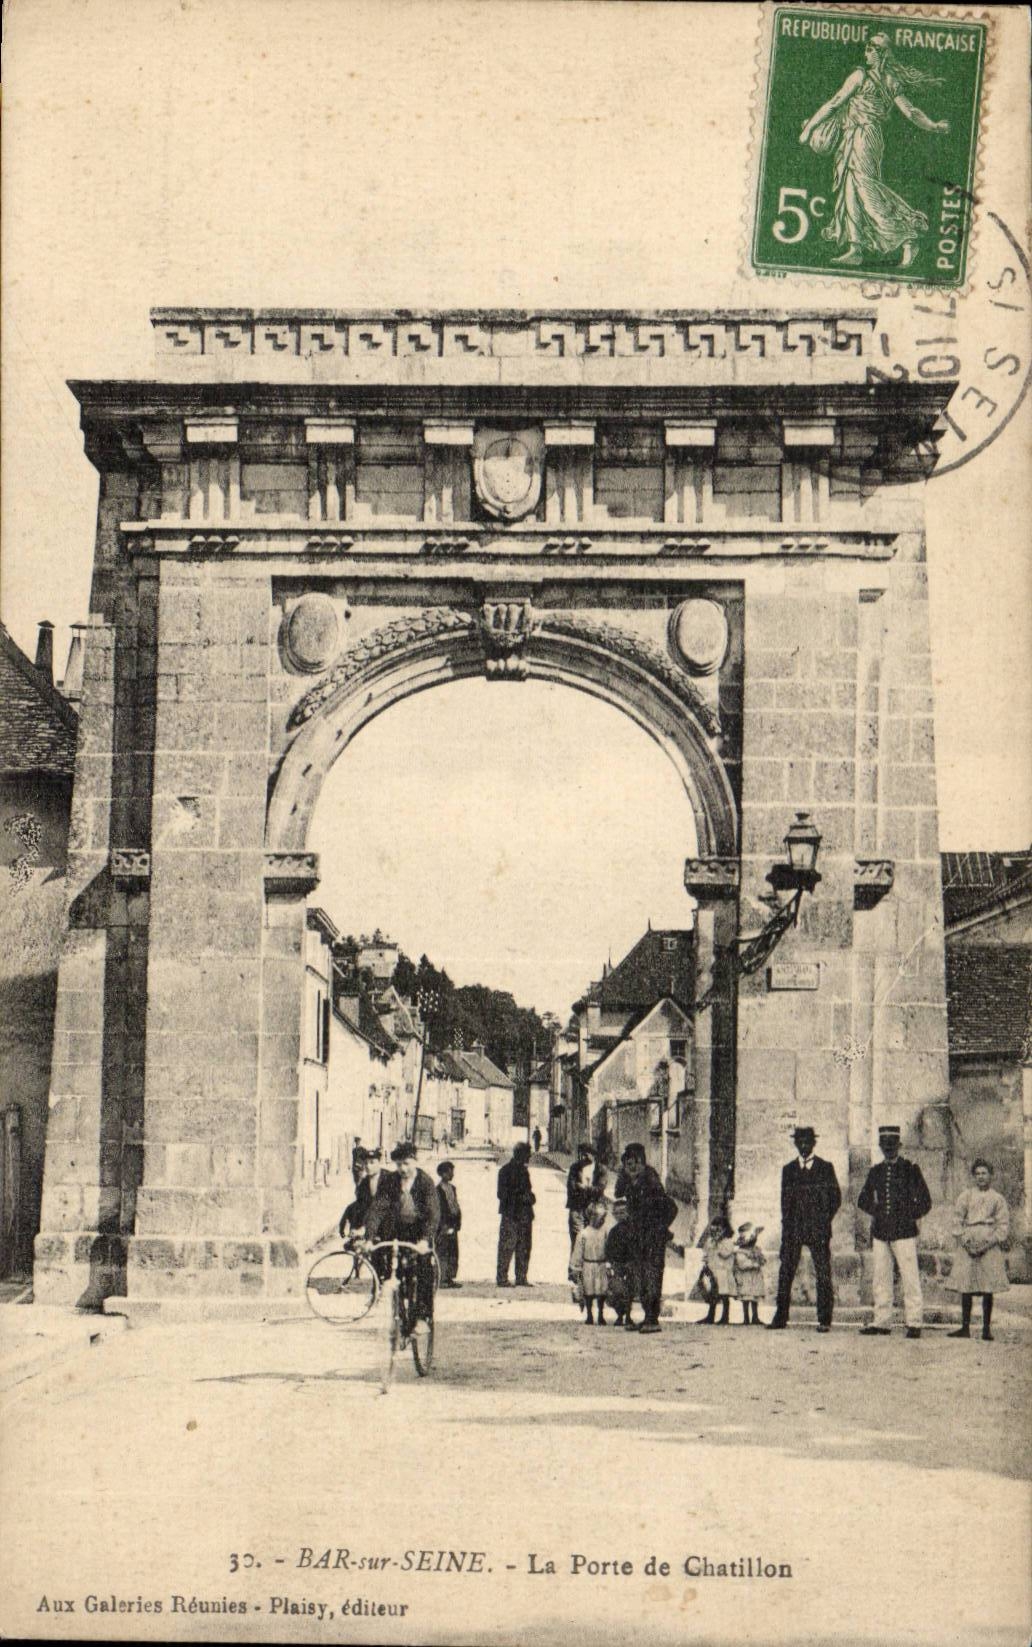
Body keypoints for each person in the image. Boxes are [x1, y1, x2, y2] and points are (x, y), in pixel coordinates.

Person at [798, 32, 949, 269]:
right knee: (850, 191)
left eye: (870, 49)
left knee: (866, 189)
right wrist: (934, 126)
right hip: (859, 136)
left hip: (864, 136)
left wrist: (808, 128)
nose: (866, 53)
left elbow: (836, 102)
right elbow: (911, 112)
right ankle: (855, 248)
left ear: (880, 54)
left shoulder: (862, 77)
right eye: (866, 48)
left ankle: (908, 235)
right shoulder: (889, 81)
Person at [857, 1124, 932, 1338]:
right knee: (881, 1277)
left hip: (905, 1232)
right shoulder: (876, 1171)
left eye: (892, 1145)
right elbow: (863, 1200)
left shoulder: (910, 1169)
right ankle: (882, 1322)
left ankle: (914, 1322)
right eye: (885, 1145)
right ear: (880, 1147)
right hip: (881, 1232)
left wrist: (908, 1215)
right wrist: (878, 1212)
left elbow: (926, 1201)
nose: (888, 1149)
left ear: (899, 1146)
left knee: (910, 1277)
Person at [768, 1126, 841, 1334]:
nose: (804, 1146)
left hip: (818, 1231)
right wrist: (786, 1230)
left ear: (814, 1144)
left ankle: (825, 1319)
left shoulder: (826, 1168)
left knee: (823, 1273)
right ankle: (780, 1317)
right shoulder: (788, 1170)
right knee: (786, 1273)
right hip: (793, 1231)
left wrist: (823, 1220)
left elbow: (836, 1198)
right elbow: (785, 1204)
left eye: (807, 1142)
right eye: (800, 1142)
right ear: (795, 1144)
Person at [362, 1141, 440, 1322]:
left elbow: (433, 1214)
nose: (403, 1169)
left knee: (423, 1267)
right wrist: (370, 1237)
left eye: (406, 1163)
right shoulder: (391, 1181)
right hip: (398, 1229)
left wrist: (425, 1240)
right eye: (399, 1165)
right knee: (393, 1265)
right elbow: (377, 1209)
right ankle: (394, 1300)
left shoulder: (425, 1182)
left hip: (420, 1231)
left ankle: (422, 1316)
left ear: (415, 1161)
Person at [947, 1159, 1010, 1343]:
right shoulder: (965, 1196)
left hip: (988, 1245)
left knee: (987, 1287)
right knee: (966, 1286)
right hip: (968, 1242)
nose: (981, 1177)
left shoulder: (997, 1199)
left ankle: (986, 1329)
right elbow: (957, 1220)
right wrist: (966, 1242)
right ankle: (964, 1327)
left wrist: (987, 1244)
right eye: (978, 1174)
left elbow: (1003, 1226)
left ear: (991, 1176)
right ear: (973, 1176)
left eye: (984, 1173)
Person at [620, 1144, 676, 1334]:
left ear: (642, 1163)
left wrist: (659, 1229)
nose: (632, 1167)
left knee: (652, 1276)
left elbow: (670, 1208)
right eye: (628, 1164)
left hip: (652, 1239)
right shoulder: (632, 1182)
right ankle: (647, 1317)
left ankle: (652, 1319)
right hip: (639, 1238)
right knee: (641, 1277)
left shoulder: (651, 1182)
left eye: (636, 1163)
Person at [497, 1141, 536, 1287]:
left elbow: (528, 1191)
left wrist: (531, 1197)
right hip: (511, 1215)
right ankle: (502, 1278)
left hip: (525, 1215)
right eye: (528, 1154)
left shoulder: (524, 1171)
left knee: (524, 1247)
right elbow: (501, 1194)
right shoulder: (505, 1171)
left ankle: (521, 1277)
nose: (530, 1156)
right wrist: (522, 1198)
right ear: (521, 1154)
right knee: (507, 1246)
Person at [570, 1200, 610, 1326]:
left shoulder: (605, 1232)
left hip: (601, 1264)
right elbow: (578, 1251)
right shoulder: (584, 1233)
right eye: (600, 1217)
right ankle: (589, 1314)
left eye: (604, 1217)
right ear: (592, 1217)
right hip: (588, 1265)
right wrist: (576, 1268)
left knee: (601, 1291)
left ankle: (601, 1314)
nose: (602, 1220)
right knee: (589, 1291)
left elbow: (609, 1248)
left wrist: (609, 1263)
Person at [697, 1216, 736, 1326]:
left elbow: (725, 1253)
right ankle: (710, 1316)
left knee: (724, 1296)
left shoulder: (728, 1242)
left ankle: (725, 1316)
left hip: (723, 1271)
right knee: (712, 1294)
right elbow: (707, 1252)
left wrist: (718, 1243)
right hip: (712, 1271)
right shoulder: (710, 1240)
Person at [603, 1198, 636, 1327]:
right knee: (616, 1290)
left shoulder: (634, 1230)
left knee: (630, 1291)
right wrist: (609, 1263)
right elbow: (608, 1250)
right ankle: (619, 1315)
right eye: (617, 1213)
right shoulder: (613, 1232)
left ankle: (628, 1316)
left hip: (630, 1264)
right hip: (617, 1265)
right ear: (613, 1215)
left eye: (623, 1212)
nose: (620, 1215)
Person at [567, 1142, 606, 1250]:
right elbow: (572, 1188)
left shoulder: (601, 1170)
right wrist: (589, 1190)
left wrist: (584, 1188)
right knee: (577, 1242)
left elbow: (600, 1189)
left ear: (593, 1155)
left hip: (595, 1211)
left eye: (586, 1154)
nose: (583, 1157)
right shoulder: (575, 1168)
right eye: (582, 1154)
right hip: (577, 1210)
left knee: (593, 1245)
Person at [339, 1147, 383, 1238]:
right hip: (368, 1226)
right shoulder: (364, 1183)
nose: (368, 1166)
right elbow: (359, 1205)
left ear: (379, 1163)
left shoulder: (389, 1178)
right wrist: (347, 1221)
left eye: (372, 1163)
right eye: (366, 1163)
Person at [435, 1160, 462, 1288]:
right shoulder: (438, 1190)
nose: (452, 1174)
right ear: (443, 1174)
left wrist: (457, 1223)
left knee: (453, 1252)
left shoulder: (452, 1188)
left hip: (453, 1224)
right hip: (444, 1226)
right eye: (450, 1172)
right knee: (442, 1252)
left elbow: (455, 1206)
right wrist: (443, 1226)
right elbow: (440, 1209)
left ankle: (450, 1277)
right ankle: (442, 1278)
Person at [733, 1222, 766, 1326]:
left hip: (755, 1277)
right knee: (746, 1298)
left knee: (754, 1298)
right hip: (746, 1277)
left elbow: (763, 1260)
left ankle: (755, 1317)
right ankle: (746, 1317)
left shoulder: (756, 1250)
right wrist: (754, 1264)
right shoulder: (740, 1252)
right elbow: (742, 1264)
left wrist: (760, 1259)